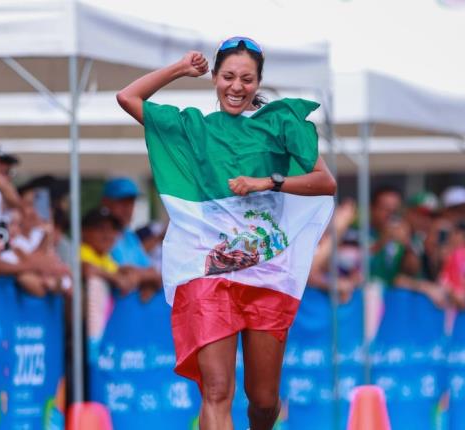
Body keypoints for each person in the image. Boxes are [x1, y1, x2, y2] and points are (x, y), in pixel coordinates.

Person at [116, 37, 336, 430]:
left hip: (267, 271)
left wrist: (267, 181)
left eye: (247, 79)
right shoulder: (192, 127)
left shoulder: (281, 123)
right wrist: (179, 68)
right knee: (216, 391)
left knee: (264, 401)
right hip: (208, 272)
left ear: (258, 82)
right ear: (215, 78)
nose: (237, 86)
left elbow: (325, 182)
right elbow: (128, 97)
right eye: (228, 77)